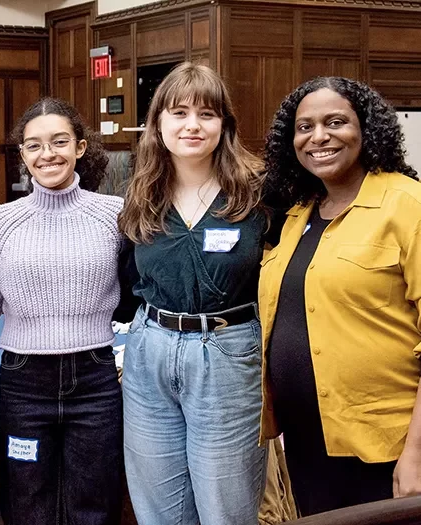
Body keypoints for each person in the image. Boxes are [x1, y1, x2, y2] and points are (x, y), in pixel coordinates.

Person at [260, 76, 421, 516]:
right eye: (305, 126)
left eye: (336, 122)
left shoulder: (408, 206)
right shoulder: (298, 214)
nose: (319, 137)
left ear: (366, 129)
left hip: (386, 446)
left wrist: (417, 454)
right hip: (309, 440)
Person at [118, 62, 269, 525]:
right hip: (149, 353)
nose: (192, 125)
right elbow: (127, 279)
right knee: (157, 506)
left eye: (206, 114)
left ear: (224, 124)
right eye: (179, 112)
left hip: (226, 353)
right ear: (158, 122)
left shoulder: (259, 191)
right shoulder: (141, 192)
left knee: (226, 507)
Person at [0, 97, 125, 525]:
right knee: (27, 500)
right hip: (24, 382)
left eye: (59, 141)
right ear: (22, 154)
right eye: (34, 145)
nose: (48, 154)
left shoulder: (113, 215)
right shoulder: (0, 222)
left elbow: (134, 291)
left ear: (80, 147)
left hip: (95, 377)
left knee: (94, 501)